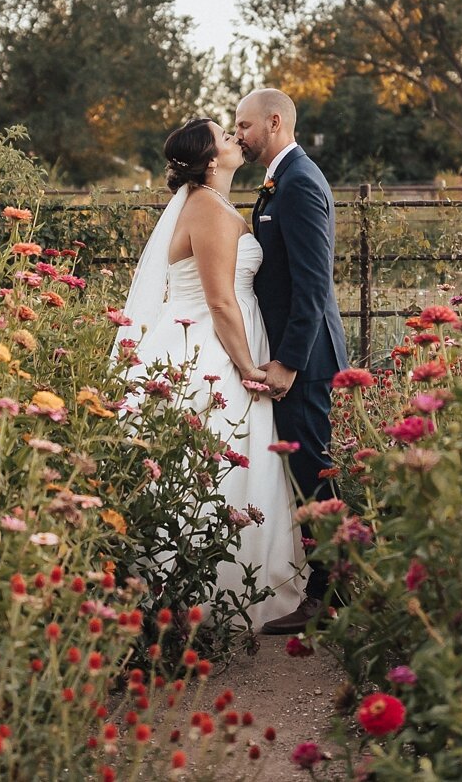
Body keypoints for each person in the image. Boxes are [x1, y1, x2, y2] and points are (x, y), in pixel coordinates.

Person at [120, 116, 307, 630]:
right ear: (209, 160)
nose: (234, 139)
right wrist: (247, 366)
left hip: (226, 338)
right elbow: (221, 300)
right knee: (218, 462)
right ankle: (199, 594)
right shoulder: (206, 208)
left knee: (238, 464)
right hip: (209, 349)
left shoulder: (217, 204)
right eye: (225, 137)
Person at [232, 88, 348, 635]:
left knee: (312, 471)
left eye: (244, 125)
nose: (238, 135)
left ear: (274, 122)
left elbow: (312, 285)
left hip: (304, 358)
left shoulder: (300, 183)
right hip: (291, 353)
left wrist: (287, 363)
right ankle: (323, 584)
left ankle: (331, 597)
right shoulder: (283, 178)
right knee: (303, 470)